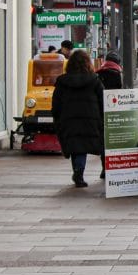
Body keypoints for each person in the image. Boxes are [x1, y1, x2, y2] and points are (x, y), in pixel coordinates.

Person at [51, 49, 104, 188]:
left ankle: (78, 171)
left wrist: (57, 118)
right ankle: (78, 172)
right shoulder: (94, 80)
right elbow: (103, 100)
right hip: (90, 119)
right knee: (83, 145)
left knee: (76, 145)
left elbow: (56, 104)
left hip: (68, 119)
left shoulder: (62, 82)